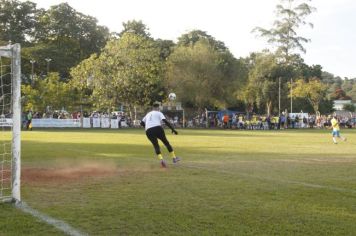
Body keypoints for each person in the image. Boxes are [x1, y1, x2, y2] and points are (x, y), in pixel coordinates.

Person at [141, 102, 180, 168]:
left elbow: (141, 123)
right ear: (158, 107)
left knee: (156, 146)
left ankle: (162, 160)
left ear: (152, 108)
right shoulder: (159, 113)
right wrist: (173, 129)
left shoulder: (148, 114)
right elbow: (165, 121)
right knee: (166, 143)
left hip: (148, 131)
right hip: (157, 128)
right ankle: (174, 158)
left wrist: (147, 127)